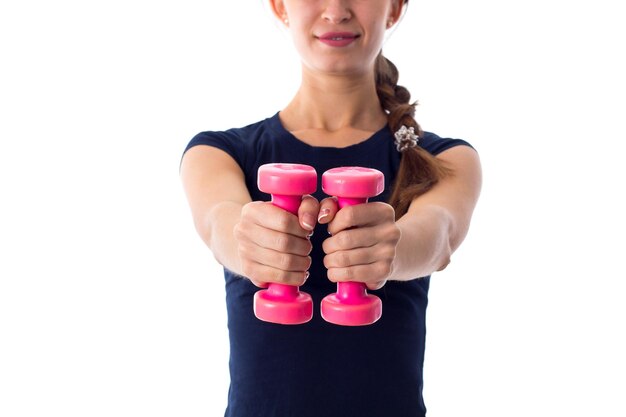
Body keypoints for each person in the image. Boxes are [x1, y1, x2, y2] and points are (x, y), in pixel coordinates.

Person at [180, 0, 482, 415]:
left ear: (394, 8)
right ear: (279, 6)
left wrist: (390, 251)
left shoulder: (446, 158)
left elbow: (439, 234)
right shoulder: (218, 153)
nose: (336, 11)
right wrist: (249, 241)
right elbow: (220, 223)